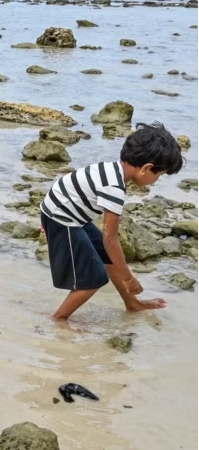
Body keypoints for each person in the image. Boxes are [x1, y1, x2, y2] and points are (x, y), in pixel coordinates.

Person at [40, 123, 183, 320]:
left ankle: (132, 303)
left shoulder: (112, 169)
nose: (157, 179)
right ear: (146, 168)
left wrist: (46, 215)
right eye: (159, 174)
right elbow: (111, 239)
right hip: (62, 219)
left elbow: (67, 187)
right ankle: (58, 318)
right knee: (94, 279)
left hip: (64, 212)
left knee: (109, 257)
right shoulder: (114, 187)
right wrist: (129, 278)